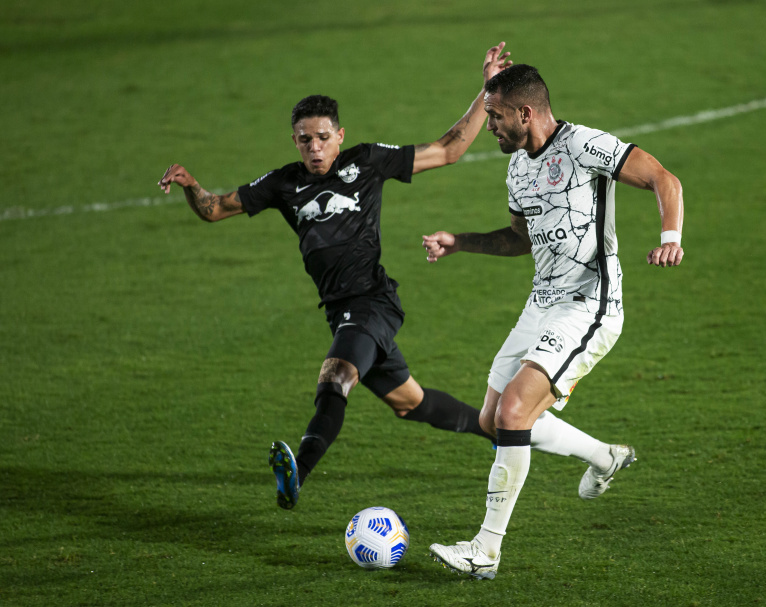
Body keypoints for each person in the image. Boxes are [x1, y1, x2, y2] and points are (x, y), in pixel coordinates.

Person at [157, 43, 516, 511]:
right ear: (294, 141)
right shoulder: (283, 184)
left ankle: (297, 473)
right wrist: (191, 185)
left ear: (340, 135)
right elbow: (214, 209)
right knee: (410, 402)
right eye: (305, 139)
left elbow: (448, 150)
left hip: (370, 303)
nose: (315, 147)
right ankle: (496, 432)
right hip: (340, 312)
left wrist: (487, 87)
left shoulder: (365, 162)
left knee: (336, 376)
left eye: (323, 137)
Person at [423, 63, 684, 579]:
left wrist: (670, 238)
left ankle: (486, 550)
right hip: (541, 303)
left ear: (526, 112)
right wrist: (462, 242)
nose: (490, 125)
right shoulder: (518, 165)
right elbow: (520, 239)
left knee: (516, 411)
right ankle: (605, 456)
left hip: (590, 304)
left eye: (495, 116)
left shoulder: (583, 145)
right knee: (490, 420)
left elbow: (662, 177)